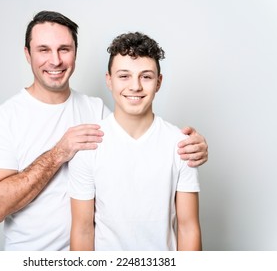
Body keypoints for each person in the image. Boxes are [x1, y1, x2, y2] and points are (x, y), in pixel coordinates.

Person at [0, 10, 207, 251]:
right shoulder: (5, 118)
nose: (55, 60)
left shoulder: (96, 110)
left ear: (75, 53)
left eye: (64, 49)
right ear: (28, 54)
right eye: (44, 50)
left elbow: (139, 133)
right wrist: (59, 152)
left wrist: (194, 146)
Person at [69, 32, 202, 251]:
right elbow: (83, 230)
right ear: (109, 81)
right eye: (124, 76)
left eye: (146, 76)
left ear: (158, 82)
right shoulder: (89, 145)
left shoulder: (181, 145)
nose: (135, 86)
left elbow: (188, 229)